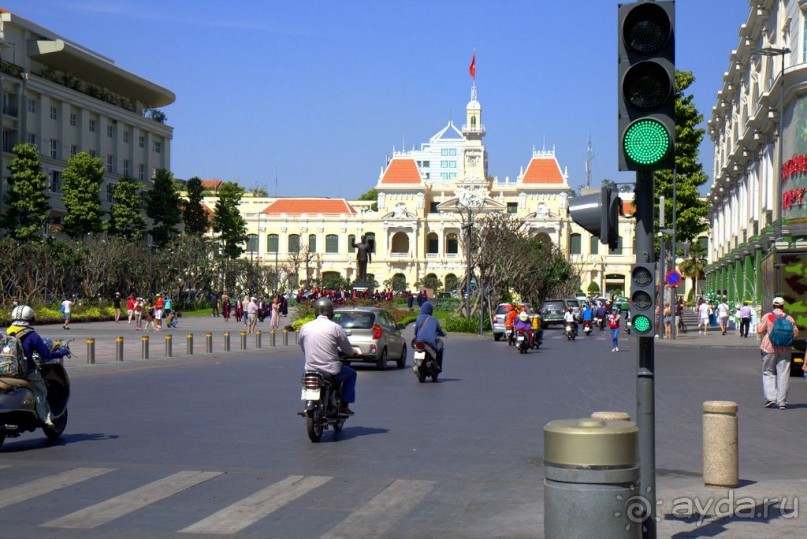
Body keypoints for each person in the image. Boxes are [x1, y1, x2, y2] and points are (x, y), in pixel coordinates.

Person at [6, 305, 70, 426]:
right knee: (41, 390)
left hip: (5, 369)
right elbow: (46, 354)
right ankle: (45, 417)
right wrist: (62, 352)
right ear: (30, 319)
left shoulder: (6, 333)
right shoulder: (32, 335)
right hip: (25, 371)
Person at [299, 298, 358, 416]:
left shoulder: (305, 327)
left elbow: (302, 345)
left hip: (311, 369)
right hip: (331, 369)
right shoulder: (335, 327)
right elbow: (346, 348)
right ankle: (344, 405)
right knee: (352, 374)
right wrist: (352, 353)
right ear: (331, 313)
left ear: (315, 312)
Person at [756, 297, 798, 409]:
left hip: (769, 348)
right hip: (785, 348)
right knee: (783, 374)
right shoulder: (789, 318)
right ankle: (782, 401)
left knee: (768, 372)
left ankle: (771, 398)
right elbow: (795, 334)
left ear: (773, 305)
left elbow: (760, 331)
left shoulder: (768, 316)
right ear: (783, 306)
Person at [414, 301, 447, 369]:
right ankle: (438, 366)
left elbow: (416, 330)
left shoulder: (418, 318)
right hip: (431, 343)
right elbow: (439, 331)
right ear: (431, 310)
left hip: (419, 341)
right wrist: (443, 334)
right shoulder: (434, 320)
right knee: (439, 348)